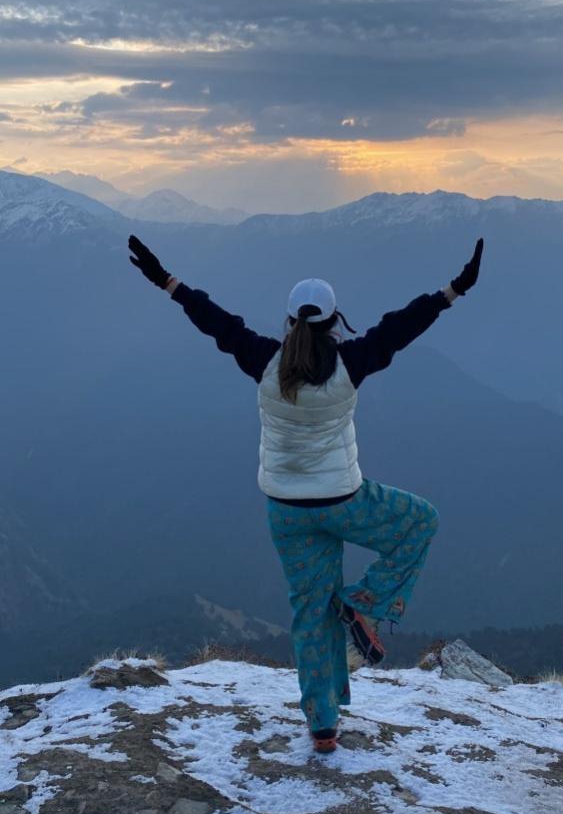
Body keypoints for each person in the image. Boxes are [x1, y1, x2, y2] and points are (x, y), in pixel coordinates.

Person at [128, 233, 484, 752]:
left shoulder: (262, 361)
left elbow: (216, 322)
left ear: (291, 321)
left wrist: (166, 281)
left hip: (287, 512)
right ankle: (363, 603)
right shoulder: (352, 364)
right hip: (345, 502)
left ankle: (321, 725)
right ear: (336, 321)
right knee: (420, 521)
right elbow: (400, 328)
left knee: (310, 611)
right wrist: (454, 290)